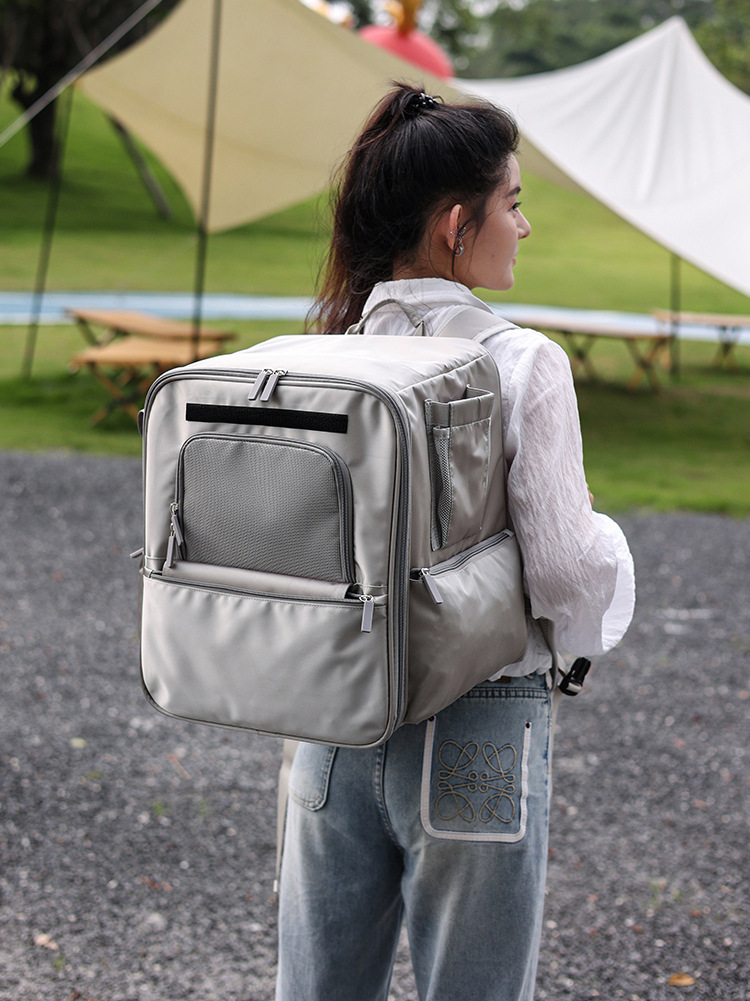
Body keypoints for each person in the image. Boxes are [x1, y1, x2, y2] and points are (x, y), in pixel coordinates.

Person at [275, 83, 635, 1001]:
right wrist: (607, 546)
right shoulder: (522, 362)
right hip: (479, 724)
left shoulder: (322, 357)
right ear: (454, 224)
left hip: (332, 718)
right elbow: (566, 576)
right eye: (512, 202)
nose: (524, 225)